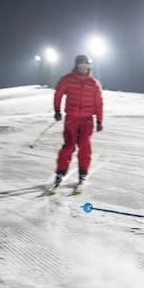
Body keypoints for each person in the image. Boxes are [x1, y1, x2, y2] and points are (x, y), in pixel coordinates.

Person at [51, 54, 104, 190]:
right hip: (72, 118)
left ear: (89, 66)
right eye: (80, 64)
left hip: (87, 120)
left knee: (85, 145)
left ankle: (83, 174)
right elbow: (58, 94)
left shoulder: (94, 83)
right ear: (76, 65)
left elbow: (98, 103)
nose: (83, 67)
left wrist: (99, 120)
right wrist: (57, 110)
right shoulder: (67, 80)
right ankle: (60, 172)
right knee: (69, 145)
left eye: (85, 65)